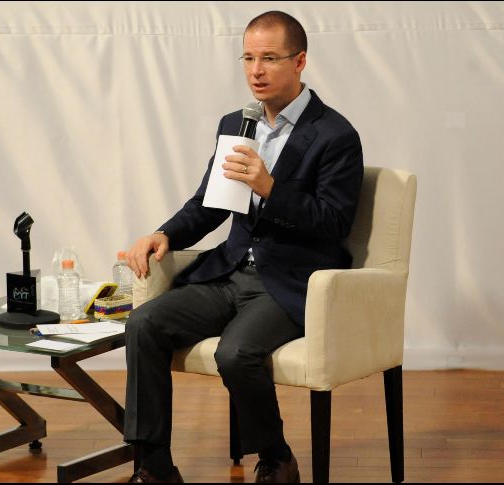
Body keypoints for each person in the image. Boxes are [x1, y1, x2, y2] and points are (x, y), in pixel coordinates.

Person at [123, 10, 363, 484]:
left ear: (300, 62)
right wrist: (165, 234)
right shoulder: (238, 123)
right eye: (249, 58)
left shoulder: (336, 135)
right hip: (231, 272)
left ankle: (276, 456)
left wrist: (272, 188)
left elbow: (334, 223)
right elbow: (211, 203)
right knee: (145, 322)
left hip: (291, 282)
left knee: (235, 353)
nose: (256, 70)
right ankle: (154, 467)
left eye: (270, 58)